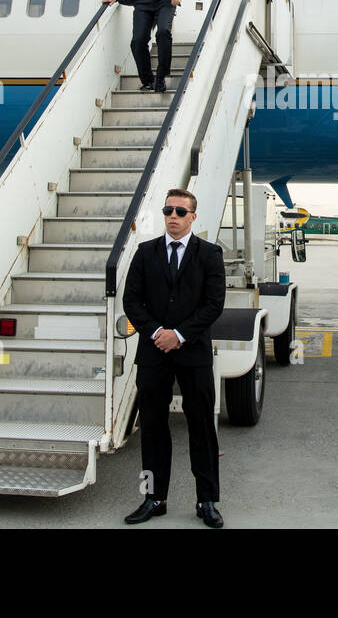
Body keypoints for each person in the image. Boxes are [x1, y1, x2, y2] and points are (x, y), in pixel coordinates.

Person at [121, 189, 226, 527]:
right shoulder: (145, 252)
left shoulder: (210, 254)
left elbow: (214, 304)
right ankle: (154, 498)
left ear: (193, 216)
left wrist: (178, 335)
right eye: (168, 210)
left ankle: (207, 500)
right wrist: (156, 333)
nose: (173, 216)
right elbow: (132, 301)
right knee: (152, 428)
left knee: (201, 428)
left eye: (181, 211)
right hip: (153, 354)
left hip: (192, 353)